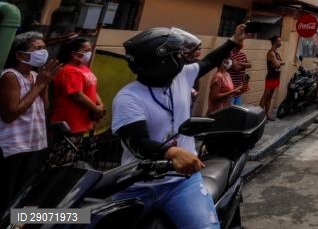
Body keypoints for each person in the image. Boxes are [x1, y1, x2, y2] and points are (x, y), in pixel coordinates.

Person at [111, 24, 252, 228]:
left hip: (181, 183)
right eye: (177, 55)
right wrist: (172, 152)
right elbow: (138, 143)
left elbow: (210, 60)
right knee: (76, 219)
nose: (183, 58)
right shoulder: (128, 98)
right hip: (136, 184)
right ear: (162, 62)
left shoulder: (182, 76)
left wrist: (234, 41)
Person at [0, 32, 62, 213]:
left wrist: (44, 84)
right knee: (7, 196)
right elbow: (10, 114)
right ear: (20, 55)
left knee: (24, 196)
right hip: (13, 147)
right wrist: (39, 85)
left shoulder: (35, 76)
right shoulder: (10, 76)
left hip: (33, 145)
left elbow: (44, 108)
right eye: (38, 48)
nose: (43, 52)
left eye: (44, 48)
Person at [50, 37, 104, 135]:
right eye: (86, 50)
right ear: (74, 54)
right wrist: (95, 109)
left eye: (90, 50)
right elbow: (77, 95)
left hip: (83, 121)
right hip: (69, 123)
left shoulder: (84, 68)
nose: (89, 53)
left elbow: (92, 88)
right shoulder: (69, 71)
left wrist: (100, 105)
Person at [259, 36, 285, 121]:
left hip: (276, 77)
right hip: (270, 77)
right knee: (265, 96)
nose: (280, 43)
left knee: (270, 96)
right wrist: (277, 63)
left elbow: (282, 62)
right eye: (279, 41)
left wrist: (278, 62)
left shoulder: (276, 53)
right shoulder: (271, 53)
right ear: (275, 42)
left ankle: (266, 115)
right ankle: (259, 116)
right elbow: (277, 64)